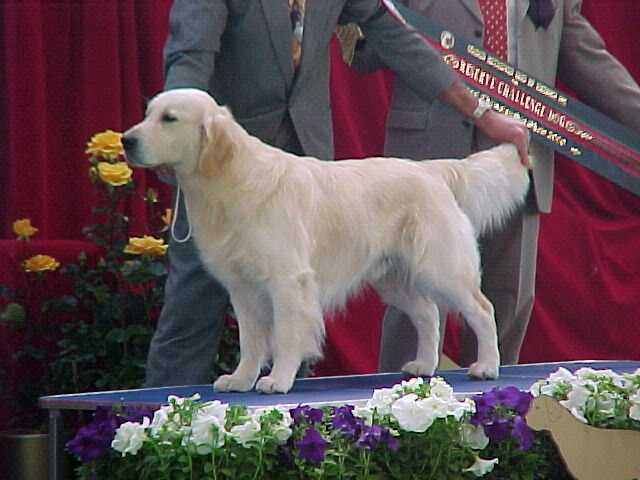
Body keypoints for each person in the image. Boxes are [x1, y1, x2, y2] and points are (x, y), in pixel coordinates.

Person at [143, 0, 530, 387]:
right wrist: (173, 134)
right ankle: (162, 434)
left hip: (306, 164)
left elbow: (394, 35)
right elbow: (189, 54)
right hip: (220, 162)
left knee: (298, 289)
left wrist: (480, 112)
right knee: (191, 311)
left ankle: (291, 431)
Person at [347, 0, 640, 371]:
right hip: (427, 158)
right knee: (414, 304)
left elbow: (589, 60)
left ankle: (494, 417)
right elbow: (364, 50)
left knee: (506, 303)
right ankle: (398, 418)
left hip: (515, 159)